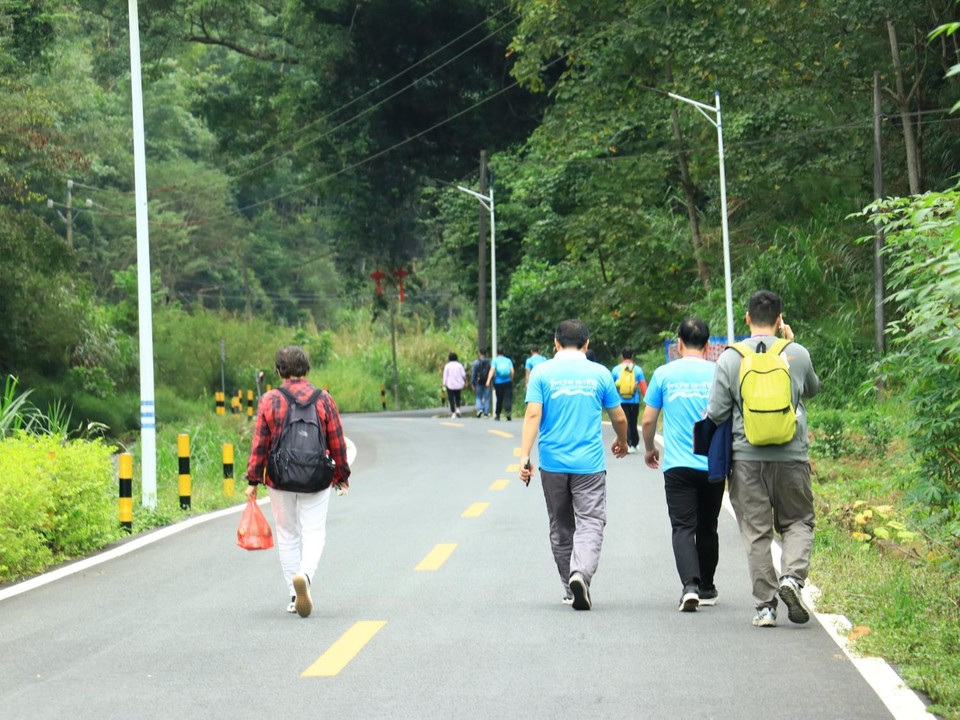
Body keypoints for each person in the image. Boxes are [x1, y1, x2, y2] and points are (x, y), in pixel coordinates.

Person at [706, 290, 820, 628]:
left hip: (746, 458)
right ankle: (792, 579)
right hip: (791, 455)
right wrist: (790, 345)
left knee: (756, 532)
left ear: (747, 318)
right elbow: (812, 389)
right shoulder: (797, 353)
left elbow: (716, 413)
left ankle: (766, 608)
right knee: (798, 521)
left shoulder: (730, 358)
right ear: (779, 319)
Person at [519, 319, 629, 610]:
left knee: (561, 526)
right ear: (586, 343)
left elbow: (532, 415)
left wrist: (524, 456)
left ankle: (570, 587)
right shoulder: (600, 373)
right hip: (589, 465)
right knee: (590, 522)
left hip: (552, 464)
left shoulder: (541, 373)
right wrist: (622, 441)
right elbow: (619, 416)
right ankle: (581, 573)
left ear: (555, 344)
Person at [245, 345, 351, 618]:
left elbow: (260, 443)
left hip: (280, 478)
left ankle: (294, 595)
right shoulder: (324, 399)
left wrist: (253, 479)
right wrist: (341, 475)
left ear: (278, 370)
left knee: (287, 534)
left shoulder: (269, 399)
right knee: (314, 533)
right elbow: (336, 440)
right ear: (307, 368)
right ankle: (305, 575)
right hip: (315, 477)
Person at [641, 318, 724, 612]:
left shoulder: (664, 374)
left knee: (683, 528)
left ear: (678, 344)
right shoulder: (719, 373)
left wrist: (650, 449)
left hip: (677, 466)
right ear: (709, 345)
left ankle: (690, 586)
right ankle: (707, 587)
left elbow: (648, 420)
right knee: (708, 526)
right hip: (712, 465)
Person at [611, 348, 648, 454]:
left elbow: (611, 387)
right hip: (634, 401)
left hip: (620, 401)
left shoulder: (616, 369)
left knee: (624, 422)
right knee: (633, 422)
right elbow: (643, 386)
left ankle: (627, 443)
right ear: (632, 356)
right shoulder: (638, 370)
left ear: (622, 356)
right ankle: (634, 444)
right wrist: (647, 401)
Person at [486, 349, 515, 421]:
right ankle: (508, 412)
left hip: (498, 382)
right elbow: (512, 371)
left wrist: (488, 380)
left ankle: (498, 414)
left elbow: (492, 370)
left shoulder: (495, 360)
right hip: (507, 381)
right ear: (503, 352)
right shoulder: (508, 360)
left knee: (499, 398)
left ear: (497, 353)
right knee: (508, 398)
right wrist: (511, 379)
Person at [442, 352, 467, 418]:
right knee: (458, 397)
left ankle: (453, 412)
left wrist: (444, 383)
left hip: (450, 384)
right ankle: (458, 409)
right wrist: (465, 382)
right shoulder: (459, 365)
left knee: (451, 399)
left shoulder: (447, 366)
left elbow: (445, 375)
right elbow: (463, 375)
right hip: (459, 384)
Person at [471, 349, 492, 418]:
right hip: (487, 381)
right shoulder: (489, 362)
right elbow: (492, 371)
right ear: (486, 354)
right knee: (487, 397)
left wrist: (473, 383)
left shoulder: (476, 362)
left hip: (479, 382)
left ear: (479, 353)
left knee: (478, 397)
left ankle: (480, 409)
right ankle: (486, 412)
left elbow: (473, 374)